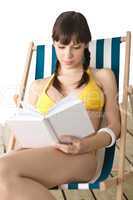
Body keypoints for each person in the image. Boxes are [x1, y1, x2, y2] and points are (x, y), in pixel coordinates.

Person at [0, 11, 120, 200]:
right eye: (61, 47)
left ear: (86, 44)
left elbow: (115, 127)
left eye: (76, 47)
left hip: (81, 156)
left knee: (2, 171)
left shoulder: (102, 77)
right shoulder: (38, 86)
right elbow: (23, 137)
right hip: (38, 154)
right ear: (54, 44)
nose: (68, 54)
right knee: (5, 183)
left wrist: (84, 145)